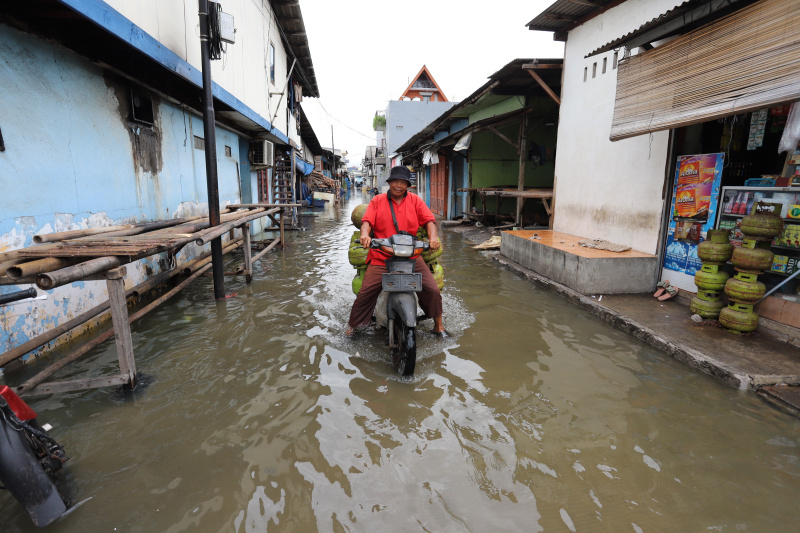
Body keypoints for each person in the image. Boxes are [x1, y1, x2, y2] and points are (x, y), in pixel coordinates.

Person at [346, 166, 446, 336]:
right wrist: (364, 235)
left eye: (403, 182)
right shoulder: (377, 201)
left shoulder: (415, 200)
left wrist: (433, 238)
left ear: (407, 185)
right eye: (395, 182)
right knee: (365, 292)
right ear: (390, 183)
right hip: (382, 255)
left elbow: (429, 221)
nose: (398, 185)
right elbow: (367, 222)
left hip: (411, 255)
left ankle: (438, 325)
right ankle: (353, 326)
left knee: (432, 289)